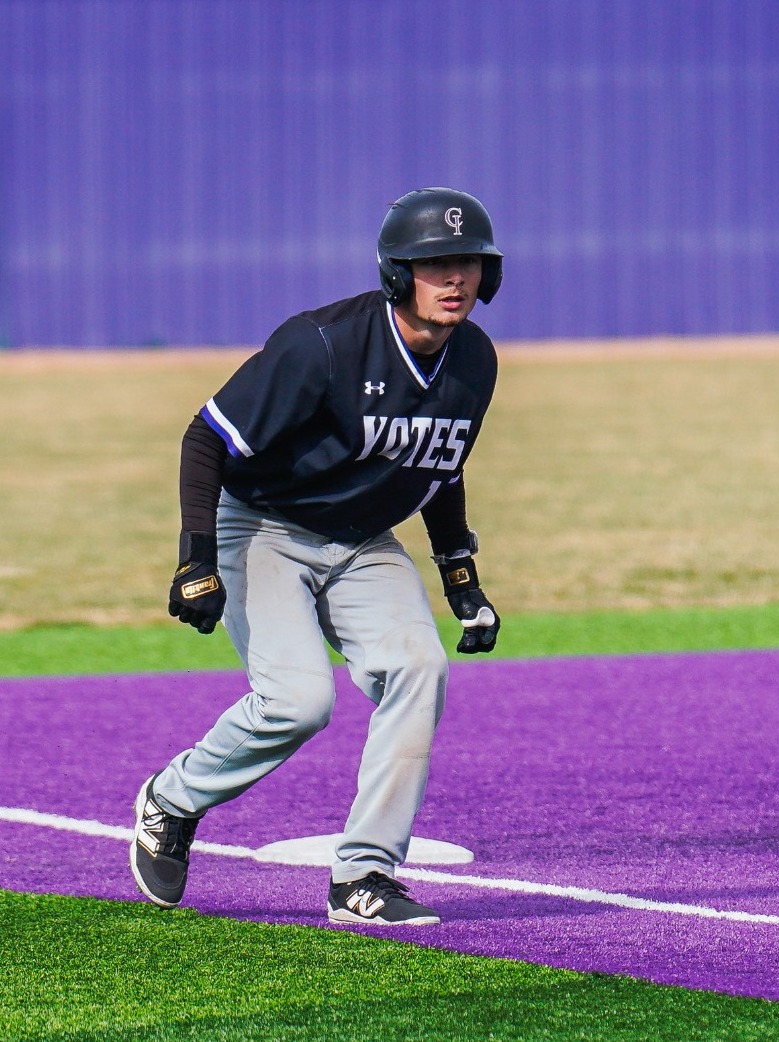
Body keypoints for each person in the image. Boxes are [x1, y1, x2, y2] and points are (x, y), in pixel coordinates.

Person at [131, 187, 505, 926]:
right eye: (434, 264)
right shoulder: (323, 345)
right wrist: (194, 559)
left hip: (365, 542)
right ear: (397, 273)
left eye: (466, 263)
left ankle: (365, 876)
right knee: (297, 702)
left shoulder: (474, 363)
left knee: (419, 668)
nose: (454, 278)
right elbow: (207, 437)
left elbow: (438, 466)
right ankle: (172, 798)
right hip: (264, 528)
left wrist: (462, 579)